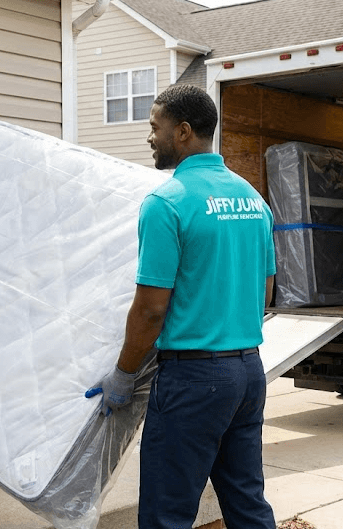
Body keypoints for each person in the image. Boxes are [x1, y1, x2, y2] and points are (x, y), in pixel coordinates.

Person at [86, 84, 277, 528]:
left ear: (184, 131)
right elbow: (264, 293)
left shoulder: (166, 204)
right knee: (247, 503)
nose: (150, 137)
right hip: (248, 372)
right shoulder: (253, 200)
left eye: (155, 127)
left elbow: (150, 309)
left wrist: (124, 373)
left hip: (194, 380)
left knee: (166, 513)